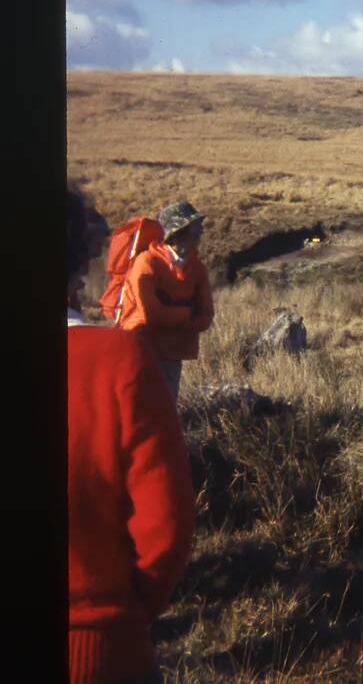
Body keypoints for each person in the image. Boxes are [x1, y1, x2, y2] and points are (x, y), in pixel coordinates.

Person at [68, 189, 195, 684]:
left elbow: (198, 305)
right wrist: (124, 613)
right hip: (100, 647)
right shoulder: (115, 362)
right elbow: (167, 523)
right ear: (75, 270)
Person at [118, 200, 214, 404]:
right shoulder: (146, 263)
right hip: (141, 351)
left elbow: (205, 317)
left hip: (172, 355)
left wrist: (167, 314)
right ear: (177, 233)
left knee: (165, 411)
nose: (200, 233)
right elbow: (150, 316)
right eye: (195, 228)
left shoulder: (197, 268)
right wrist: (187, 313)